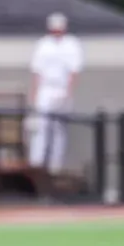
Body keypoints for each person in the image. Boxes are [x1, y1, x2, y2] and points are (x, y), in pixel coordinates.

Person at [28, 12, 83, 172]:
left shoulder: (72, 44)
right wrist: (34, 94)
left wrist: (69, 93)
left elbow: (74, 71)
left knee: (59, 130)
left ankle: (55, 166)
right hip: (45, 89)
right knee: (41, 128)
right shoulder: (43, 44)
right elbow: (37, 72)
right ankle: (36, 164)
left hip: (61, 89)